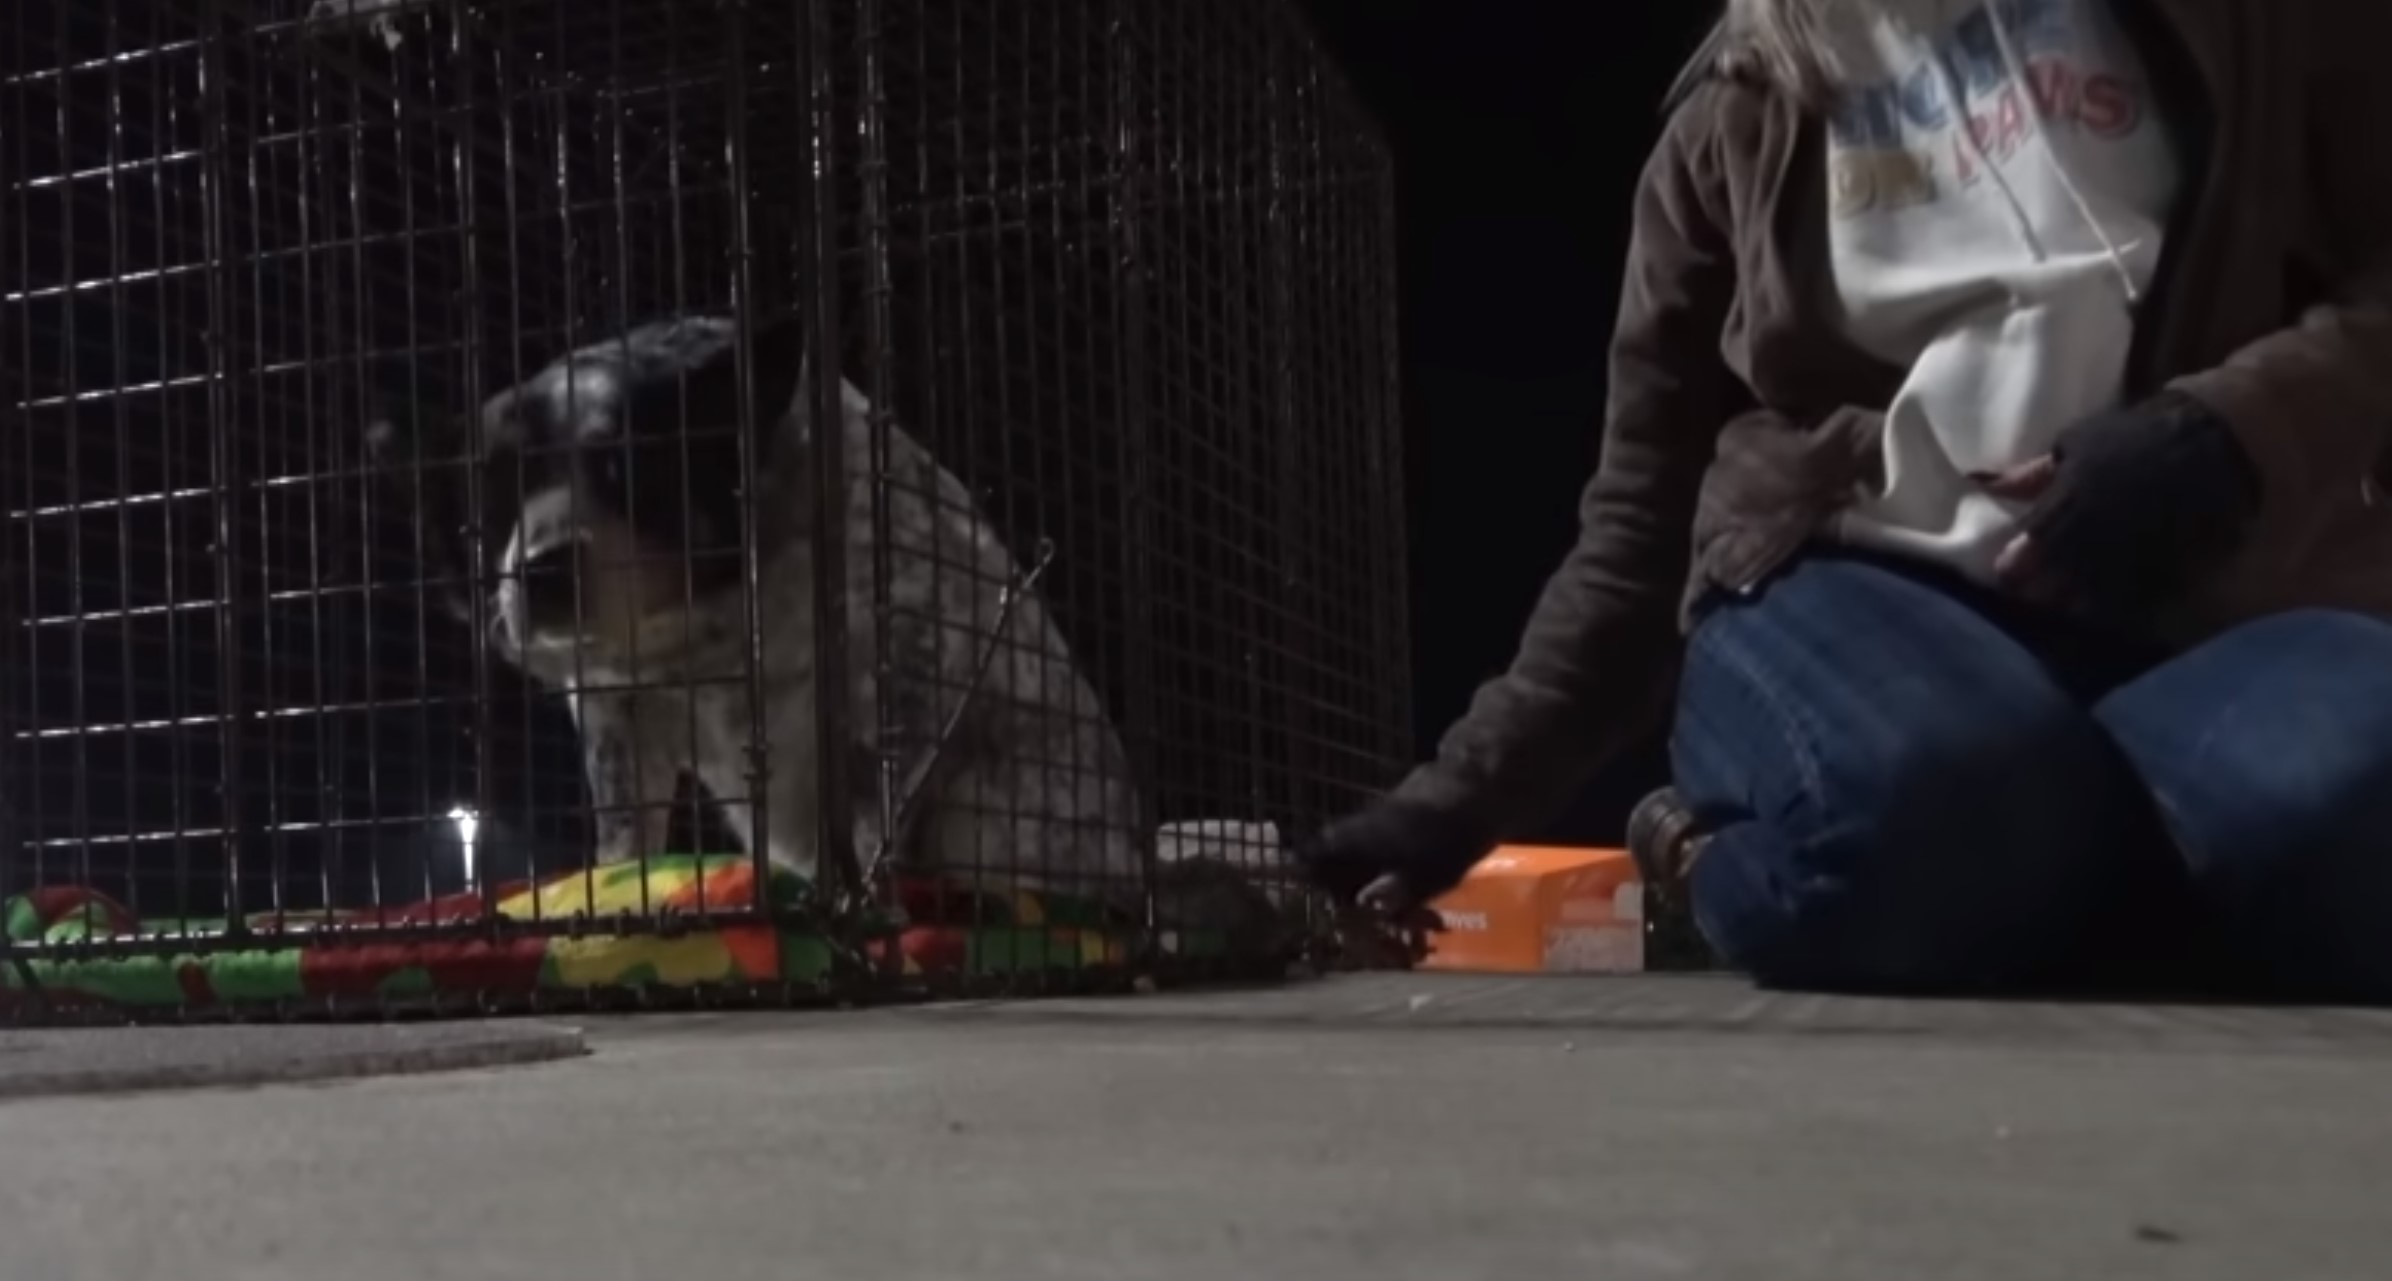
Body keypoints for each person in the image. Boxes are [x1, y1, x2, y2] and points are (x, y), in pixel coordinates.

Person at [1300, 0, 2392, 1001]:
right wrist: (1455, 804)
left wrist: (2224, 432)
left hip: (2204, 609)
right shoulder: (1730, 118)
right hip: (1865, 598)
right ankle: (1711, 847)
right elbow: (1635, 527)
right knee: (1935, 814)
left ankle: (2049, 871)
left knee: (2350, 817)